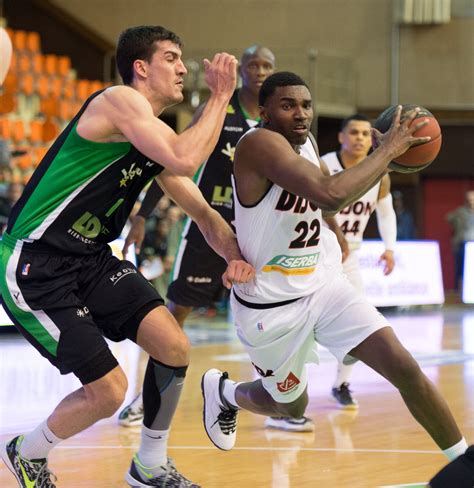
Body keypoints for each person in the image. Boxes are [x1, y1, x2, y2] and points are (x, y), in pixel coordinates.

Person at [0, 25, 255, 488]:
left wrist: (235, 255)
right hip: (36, 262)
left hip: (91, 257)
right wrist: (220, 98)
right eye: (172, 58)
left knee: (174, 346)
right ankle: (27, 451)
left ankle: (150, 465)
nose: (183, 68)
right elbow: (183, 157)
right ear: (141, 67)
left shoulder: (150, 134)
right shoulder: (118, 101)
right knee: (110, 392)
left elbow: (202, 212)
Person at [201, 72, 468, 466]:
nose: (300, 114)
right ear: (265, 111)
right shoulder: (258, 145)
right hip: (271, 307)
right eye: (287, 105)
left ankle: (465, 464)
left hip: (325, 285)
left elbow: (328, 204)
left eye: (306, 105)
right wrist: (387, 154)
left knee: (404, 366)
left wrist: (373, 170)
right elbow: (329, 192)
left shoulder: (306, 143)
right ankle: (225, 394)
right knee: (290, 407)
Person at [119, 45, 316, 433]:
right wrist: (143, 215)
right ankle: (143, 400)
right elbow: (173, 162)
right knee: (173, 316)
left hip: (263, 236)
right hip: (212, 228)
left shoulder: (284, 120)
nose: (260, 70)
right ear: (241, 71)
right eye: (253, 64)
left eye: (267, 65)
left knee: (274, 320)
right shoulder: (217, 112)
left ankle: (281, 398)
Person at [320, 113, 397, 408]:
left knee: (360, 319)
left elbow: (386, 212)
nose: (360, 138)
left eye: (366, 134)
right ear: (341, 137)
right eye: (354, 133)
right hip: (317, 251)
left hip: (350, 255)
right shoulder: (325, 165)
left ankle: (341, 383)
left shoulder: (379, 173)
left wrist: (389, 249)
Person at [446, 190, 474, 290]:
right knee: (461, 270)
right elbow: (448, 218)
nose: (471, 201)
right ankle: (458, 292)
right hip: (463, 244)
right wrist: (458, 225)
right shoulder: (460, 211)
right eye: (469, 199)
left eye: (472, 199)